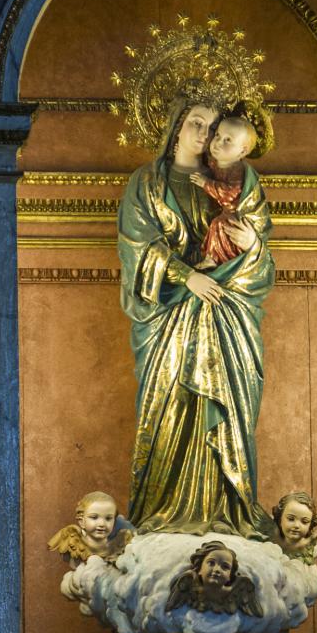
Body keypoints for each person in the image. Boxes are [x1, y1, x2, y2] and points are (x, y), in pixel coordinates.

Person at [118, 93, 276, 539]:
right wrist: (187, 277)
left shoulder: (236, 183)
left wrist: (252, 248)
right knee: (172, 407)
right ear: (176, 125)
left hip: (228, 317)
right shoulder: (147, 183)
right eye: (196, 123)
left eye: (212, 128)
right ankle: (162, 515)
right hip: (169, 320)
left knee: (227, 409)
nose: (205, 135)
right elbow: (138, 247)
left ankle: (230, 511)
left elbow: (262, 261)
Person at [190, 115, 259, 269]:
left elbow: (230, 193)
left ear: (242, 151)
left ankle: (213, 258)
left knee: (219, 224)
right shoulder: (217, 161)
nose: (218, 143)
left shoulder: (237, 170)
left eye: (228, 140)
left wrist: (206, 183)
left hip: (235, 214)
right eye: (218, 135)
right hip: (225, 211)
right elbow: (205, 160)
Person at [272, 491, 317, 563]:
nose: (296, 525)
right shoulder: (272, 538)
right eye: (291, 519)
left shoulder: (312, 547)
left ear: (310, 525)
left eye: (304, 522)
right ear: (280, 519)